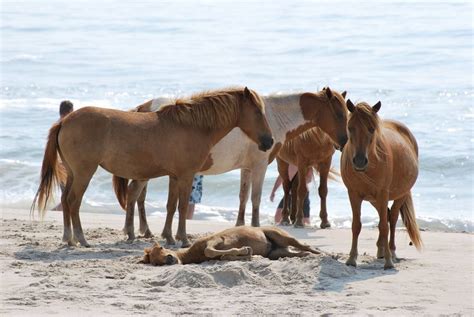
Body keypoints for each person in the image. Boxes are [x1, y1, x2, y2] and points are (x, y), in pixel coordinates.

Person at [51, 100, 74, 211]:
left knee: (65, 193)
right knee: (67, 193)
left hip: (58, 164)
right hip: (63, 164)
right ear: (69, 111)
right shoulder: (65, 125)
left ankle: (59, 209)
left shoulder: (56, 125)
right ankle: (59, 210)